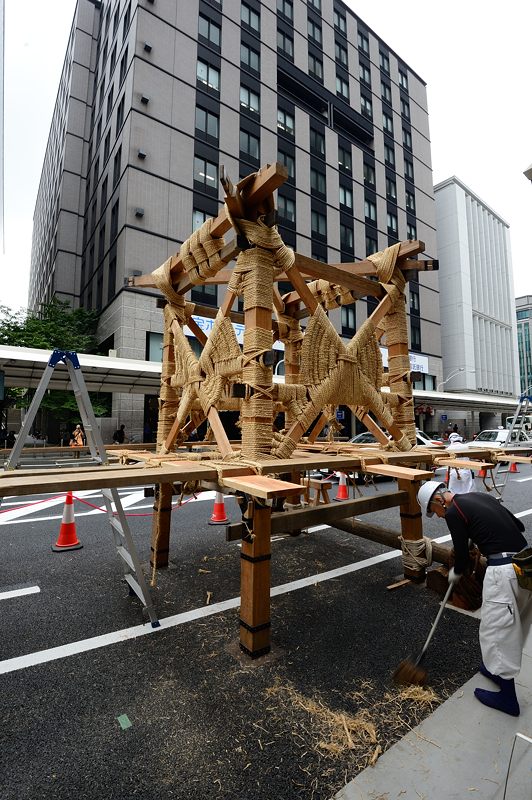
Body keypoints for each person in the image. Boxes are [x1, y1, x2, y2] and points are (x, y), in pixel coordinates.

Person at [417, 480, 532, 716]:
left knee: (497, 630)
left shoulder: (453, 512)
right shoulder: (479, 497)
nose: (438, 516)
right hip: (525, 565)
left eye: (433, 511)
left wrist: (455, 572)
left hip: (504, 572)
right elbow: (518, 525)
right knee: (515, 625)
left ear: (438, 501)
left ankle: (508, 698)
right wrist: (474, 533)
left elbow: (460, 555)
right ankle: (499, 673)